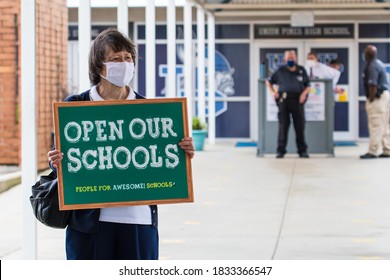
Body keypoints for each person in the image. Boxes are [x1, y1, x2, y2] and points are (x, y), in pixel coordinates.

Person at [47, 28, 195, 259]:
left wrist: (182, 153)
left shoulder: (149, 112)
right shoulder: (75, 107)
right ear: (99, 66)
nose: (124, 64)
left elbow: (163, 162)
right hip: (90, 222)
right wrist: (55, 162)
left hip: (139, 220)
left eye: (128, 58)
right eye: (116, 59)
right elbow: (65, 165)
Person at [266, 50, 311, 158]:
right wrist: (273, 92)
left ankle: (302, 151)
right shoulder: (281, 71)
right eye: (289, 58)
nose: (291, 60)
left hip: (297, 101)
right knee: (283, 126)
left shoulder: (301, 70)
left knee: (299, 126)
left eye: (292, 58)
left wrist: (303, 94)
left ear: (296, 58)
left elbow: (308, 85)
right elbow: (269, 82)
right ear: (285, 59)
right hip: (284, 100)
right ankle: (280, 150)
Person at [360, 44, 390, 159]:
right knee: (385, 124)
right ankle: (387, 149)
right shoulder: (379, 63)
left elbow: (372, 84)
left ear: (368, 54)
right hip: (385, 96)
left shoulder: (371, 66)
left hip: (378, 97)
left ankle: (373, 151)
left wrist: (371, 99)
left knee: (376, 123)